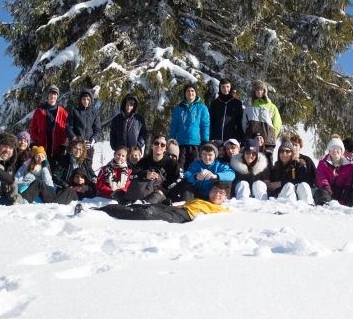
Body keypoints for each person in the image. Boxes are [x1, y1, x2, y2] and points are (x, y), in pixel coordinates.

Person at [96, 181, 231, 224]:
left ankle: (107, 211)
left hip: (184, 217)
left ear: (225, 198)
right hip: (177, 209)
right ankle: (104, 209)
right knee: (144, 206)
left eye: (221, 193)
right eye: (215, 191)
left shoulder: (222, 211)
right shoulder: (200, 200)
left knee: (147, 213)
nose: (217, 194)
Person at [125, 135, 183, 204]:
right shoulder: (144, 161)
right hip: (143, 192)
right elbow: (132, 176)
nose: (159, 146)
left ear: (165, 149)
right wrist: (145, 174)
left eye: (162, 145)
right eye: (156, 143)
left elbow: (180, 179)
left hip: (162, 195)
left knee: (157, 194)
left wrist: (164, 189)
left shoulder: (172, 163)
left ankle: (142, 205)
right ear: (152, 146)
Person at [169, 84, 210, 170]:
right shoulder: (179, 108)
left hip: (196, 143)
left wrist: (205, 140)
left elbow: (205, 125)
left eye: (192, 91)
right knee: (180, 167)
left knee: (194, 167)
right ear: (185, 93)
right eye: (188, 91)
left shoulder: (202, 108)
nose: (190, 93)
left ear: (196, 93)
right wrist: (171, 139)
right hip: (181, 143)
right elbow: (174, 125)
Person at [65, 88, 101, 171]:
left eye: (88, 99)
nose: (86, 101)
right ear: (80, 100)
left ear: (90, 100)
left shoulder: (94, 113)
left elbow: (98, 130)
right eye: (84, 99)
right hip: (75, 146)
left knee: (87, 169)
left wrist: (93, 140)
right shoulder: (75, 111)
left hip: (88, 147)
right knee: (72, 168)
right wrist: (74, 138)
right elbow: (68, 127)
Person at [314, 136, 353, 206]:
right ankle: (326, 205)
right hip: (327, 190)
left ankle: (347, 206)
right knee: (320, 192)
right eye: (332, 148)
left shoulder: (349, 166)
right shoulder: (322, 164)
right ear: (329, 151)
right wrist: (326, 187)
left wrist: (345, 193)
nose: (335, 150)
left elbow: (349, 183)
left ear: (342, 151)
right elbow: (321, 178)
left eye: (337, 148)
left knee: (352, 194)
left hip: (342, 191)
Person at [29, 85, 68, 160]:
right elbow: (33, 127)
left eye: (55, 94)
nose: (52, 96)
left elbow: (66, 129)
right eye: (51, 93)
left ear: (57, 96)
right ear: (48, 95)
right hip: (41, 148)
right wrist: (35, 140)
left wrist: (63, 144)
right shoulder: (40, 110)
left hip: (57, 149)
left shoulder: (63, 112)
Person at [242, 81, 282, 153]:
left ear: (265, 91)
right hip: (252, 141)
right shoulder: (249, 106)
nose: (259, 92)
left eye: (261, 90)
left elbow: (277, 123)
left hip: (267, 142)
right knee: (252, 157)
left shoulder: (271, 106)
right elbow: (244, 123)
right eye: (257, 90)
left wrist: (272, 135)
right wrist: (248, 133)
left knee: (266, 159)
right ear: (254, 91)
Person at [208, 78, 244, 144]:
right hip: (216, 138)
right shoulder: (214, 103)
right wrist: (210, 137)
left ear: (231, 87)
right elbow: (210, 121)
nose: (225, 89)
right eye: (223, 87)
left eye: (227, 87)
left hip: (232, 139)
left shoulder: (237, 103)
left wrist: (241, 138)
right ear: (220, 88)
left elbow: (240, 122)